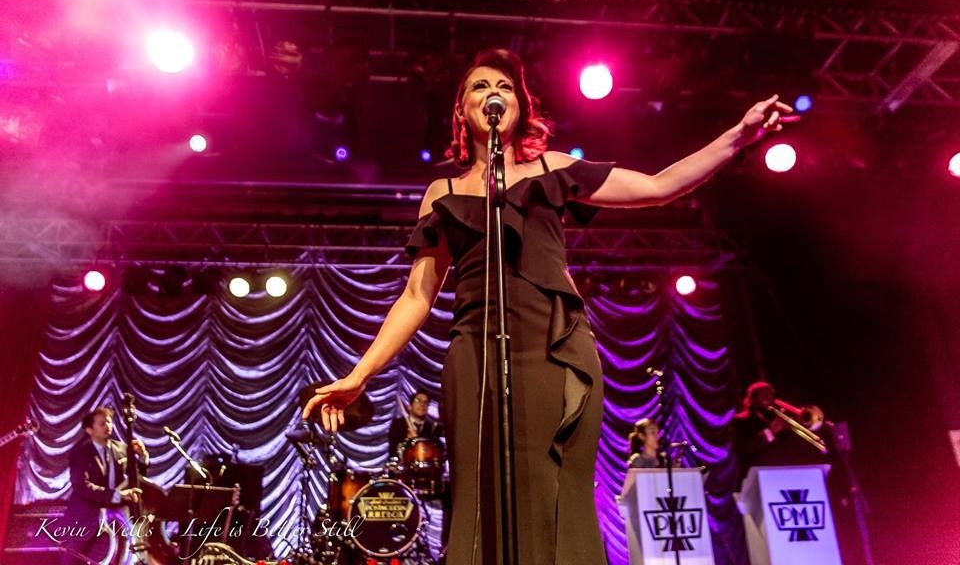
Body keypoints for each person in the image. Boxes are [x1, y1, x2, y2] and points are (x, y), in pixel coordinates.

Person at [303, 48, 795, 564]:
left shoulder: (554, 169)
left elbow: (658, 187)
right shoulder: (442, 193)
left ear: (519, 106)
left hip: (556, 346)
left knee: (559, 490)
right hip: (475, 357)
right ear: (461, 110)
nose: (493, 92)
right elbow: (417, 295)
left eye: (505, 86)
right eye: (479, 86)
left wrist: (739, 136)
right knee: (481, 496)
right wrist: (359, 374)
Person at [60, 406, 149, 565]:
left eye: (109, 422)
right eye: (102, 423)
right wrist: (116, 495)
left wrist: (143, 457)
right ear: (89, 429)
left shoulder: (121, 448)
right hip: (85, 516)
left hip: (117, 518)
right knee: (74, 558)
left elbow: (136, 477)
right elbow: (82, 486)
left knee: (120, 557)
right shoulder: (80, 453)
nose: (108, 426)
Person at [732, 381, 827, 486]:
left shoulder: (779, 418)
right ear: (753, 399)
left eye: (771, 395)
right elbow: (743, 449)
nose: (770, 398)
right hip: (758, 480)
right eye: (764, 395)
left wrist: (797, 426)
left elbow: (798, 450)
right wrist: (771, 432)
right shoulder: (740, 420)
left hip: (787, 477)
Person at [387, 390, 445, 460]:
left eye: (425, 402)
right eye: (418, 400)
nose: (422, 404)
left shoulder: (432, 428)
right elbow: (392, 450)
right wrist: (407, 441)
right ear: (409, 407)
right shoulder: (398, 425)